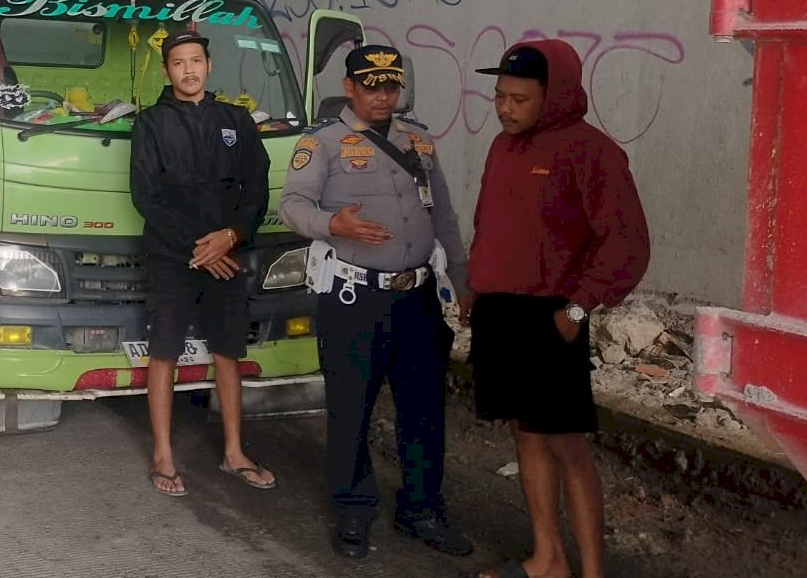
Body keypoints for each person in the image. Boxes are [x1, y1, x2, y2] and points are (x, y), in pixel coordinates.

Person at [277, 44, 473, 561]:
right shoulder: (321, 143)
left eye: (391, 86)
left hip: (418, 297)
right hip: (354, 297)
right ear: (349, 87)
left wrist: (462, 275)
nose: (383, 95)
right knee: (351, 410)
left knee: (424, 409)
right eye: (372, 85)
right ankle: (353, 511)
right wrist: (332, 224)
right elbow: (292, 204)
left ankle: (422, 510)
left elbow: (444, 213)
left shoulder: (418, 141)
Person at [467, 42, 649, 578]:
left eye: (519, 99)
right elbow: (491, 222)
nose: (505, 108)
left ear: (554, 97)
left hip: (552, 316)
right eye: (499, 96)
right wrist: (478, 284)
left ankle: (593, 572)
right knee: (525, 433)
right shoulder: (503, 148)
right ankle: (548, 559)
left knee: (566, 443)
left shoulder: (592, 151)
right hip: (501, 312)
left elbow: (626, 241)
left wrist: (578, 309)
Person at [129, 29, 275, 499]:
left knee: (228, 350)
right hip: (174, 256)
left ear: (209, 66)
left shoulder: (236, 119)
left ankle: (234, 451)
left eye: (196, 60)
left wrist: (230, 237)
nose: (188, 70)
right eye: (178, 63)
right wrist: (200, 249)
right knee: (165, 350)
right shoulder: (150, 123)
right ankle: (163, 456)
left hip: (228, 255)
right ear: (167, 70)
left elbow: (257, 189)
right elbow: (146, 197)